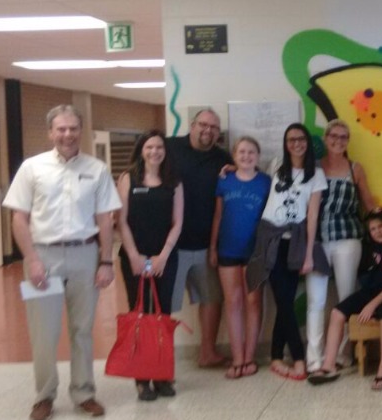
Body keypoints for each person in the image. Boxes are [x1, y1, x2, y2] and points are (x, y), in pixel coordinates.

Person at [3, 105, 121, 420]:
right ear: (50, 132)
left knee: (83, 329)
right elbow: (18, 218)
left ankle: (84, 392)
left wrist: (106, 261)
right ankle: (44, 396)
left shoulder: (97, 169)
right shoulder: (32, 168)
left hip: (85, 256)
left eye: (73, 128)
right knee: (44, 333)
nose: (67, 134)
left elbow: (105, 219)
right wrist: (32, 259)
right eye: (61, 129)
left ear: (81, 131)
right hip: (43, 256)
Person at [247, 123, 329, 381]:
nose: (296, 143)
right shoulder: (275, 166)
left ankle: (275, 357)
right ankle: (298, 358)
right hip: (270, 239)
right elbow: (250, 174)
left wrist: (308, 254)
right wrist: (229, 168)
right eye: (291, 139)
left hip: (295, 242)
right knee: (283, 301)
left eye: (301, 139)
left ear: (307, 142)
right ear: (285, 143)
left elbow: (312, 216)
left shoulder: (316, 174)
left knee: (286, 301)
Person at [307, 210, 382, 390]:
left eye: (381, 226)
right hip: (372, 291)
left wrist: (372, 305)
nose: (377, 232)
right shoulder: (371, 245)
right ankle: (329, 365)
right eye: (373, 229)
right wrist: (370, 301)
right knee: (337, 312)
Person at [116, 130, 184, 400]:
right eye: (149, 147)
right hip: (134, 257)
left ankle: (162, 375)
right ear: (141, 150)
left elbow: (178, 222)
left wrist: (163, 256)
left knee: (162, 315)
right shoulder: (128, 178)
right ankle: (142, 378)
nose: (155, 152)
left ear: (165, 151)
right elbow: (121, 220)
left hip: (165, 258)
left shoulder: (173, 181)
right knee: (141, 315)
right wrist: (134, 255)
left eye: (159, 147)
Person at [305, 119, 377, 373]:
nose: (338, 140)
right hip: (316, 241)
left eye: (343, 137)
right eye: (333, 136)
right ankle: (314, 357)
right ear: (325, 138)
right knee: (315, 300)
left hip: (348, 238)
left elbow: (368, 202)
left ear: (348, 141)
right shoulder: (313, 167)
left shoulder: (355, 168)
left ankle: (342, 354)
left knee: (346, 298)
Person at [166, 108, 233, 368]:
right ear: (192, 125)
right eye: (203, 124)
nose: (208, 130)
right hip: (170, 245)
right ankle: (160, 360)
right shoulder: (169, 148)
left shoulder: (222, 157)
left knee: (212, 299)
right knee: (164, 304)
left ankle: (208, 353)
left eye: (214, 127)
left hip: (207, 245)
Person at [210, 137, 271, 380]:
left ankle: (249, 357)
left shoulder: (266, 182)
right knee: (233, 302)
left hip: (255, 252)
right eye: (242, 152)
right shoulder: (224, 180)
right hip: (227, 249)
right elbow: (217, 216)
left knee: (253, 302)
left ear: (258, 156)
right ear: (234, 156)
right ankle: (237, 358)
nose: (246, 156)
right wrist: (213, 248)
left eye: (251, 152)